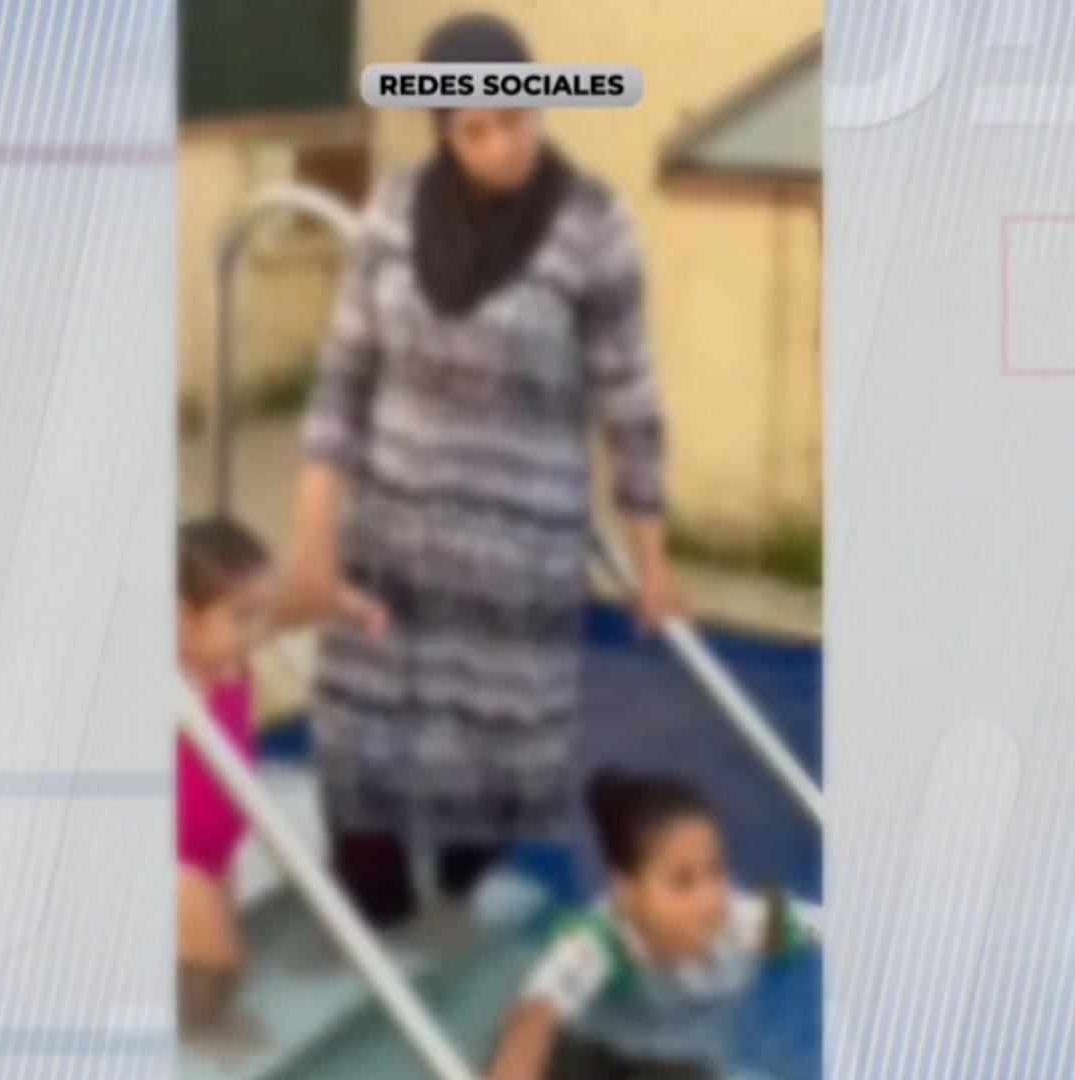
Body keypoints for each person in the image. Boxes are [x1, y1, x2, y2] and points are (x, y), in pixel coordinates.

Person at [279, 11, 686, 939]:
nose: (505, 143)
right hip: (390, 546)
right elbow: (342, 378)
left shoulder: (592, 224)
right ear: (440, 130)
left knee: (491, 770)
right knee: (360, 752)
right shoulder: (389, 212)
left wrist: (651, 556)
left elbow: (630, 394)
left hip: (517, 561)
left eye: (520, 117)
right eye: (476, 127)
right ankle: (381, 931)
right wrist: (312, 543)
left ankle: (453, 907)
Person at [174, 516, 380, 1051]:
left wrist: (344, 601)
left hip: (216, 849)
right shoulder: (175, 682)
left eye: (259, 615)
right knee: (219, 964)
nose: (257, 631)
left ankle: (193, 1022)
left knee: (226, 963)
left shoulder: (232, 659)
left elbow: (289, 611)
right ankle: (201, 1043)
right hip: (177, 859)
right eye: (242, 617)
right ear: (179, 623)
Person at [485, 768, 825, 1080]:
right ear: (626, 895)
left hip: (676, 1063)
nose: (708, 901)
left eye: (716, 871)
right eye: (682, 883)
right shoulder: (600, 942)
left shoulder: (748, 924)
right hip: (585, 1049)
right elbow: (533, 1020)